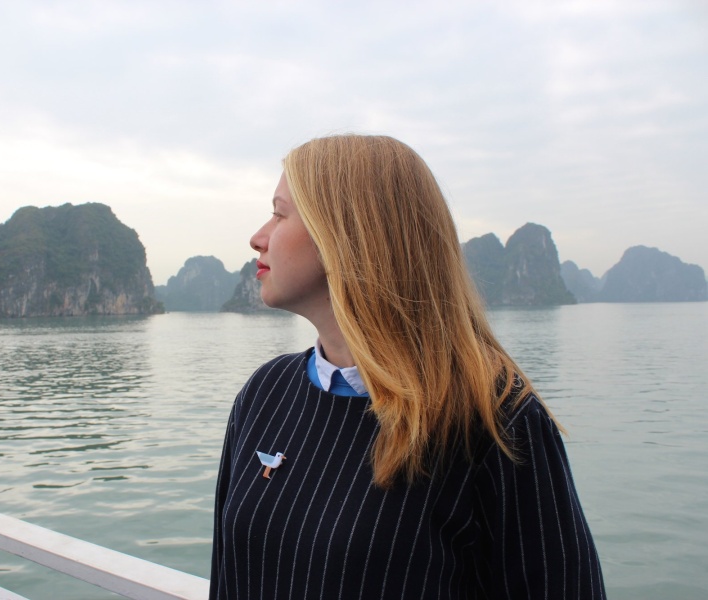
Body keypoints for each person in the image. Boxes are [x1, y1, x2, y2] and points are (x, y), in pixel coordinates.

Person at [210, 134, 605, 599]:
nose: (258, 237)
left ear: (345, 233)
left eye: (279, 214)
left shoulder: (493, 417)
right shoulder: (266, 394)